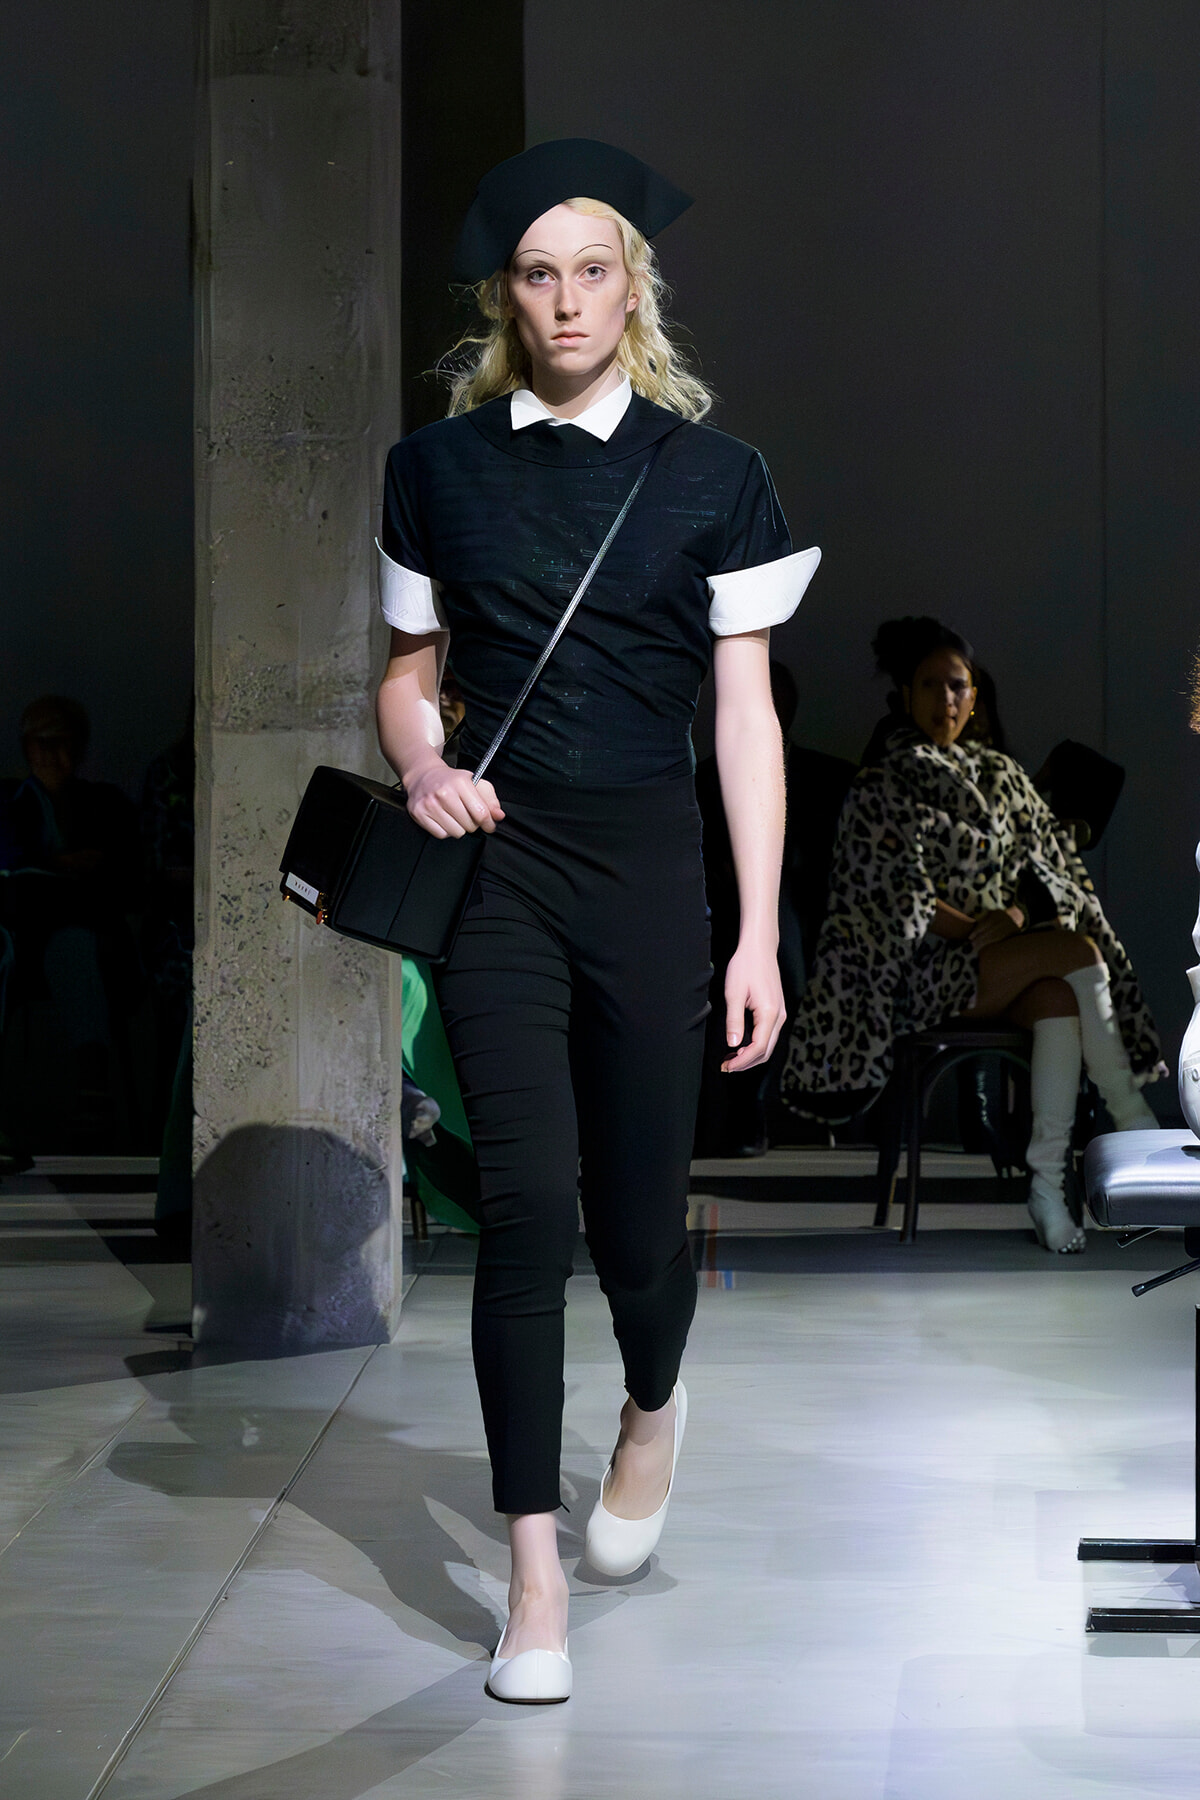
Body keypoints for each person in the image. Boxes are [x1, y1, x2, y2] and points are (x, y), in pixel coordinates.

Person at [374, 139, 820, 1703]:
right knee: (526, 1213)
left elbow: (744, 719)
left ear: (636, 289)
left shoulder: (718, 474)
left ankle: (649, 1405)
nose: (566, 299)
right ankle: (535, 1579)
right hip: (500, 872)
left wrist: (758, 931)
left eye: (593, 269)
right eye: (538, 273)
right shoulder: (437, 468)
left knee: (639, 1227)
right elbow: (409, 677)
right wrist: (422, 760)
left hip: (648, 873)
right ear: (508, 295)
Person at [783, 616, 1165, 1253]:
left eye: (958, 686)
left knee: (1058, 999)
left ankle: (1046, 1187)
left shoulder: (1003, 775)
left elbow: (1051, 865)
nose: (947, 700)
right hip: (920, 974)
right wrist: (978, 931)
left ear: (975, 694)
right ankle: (1133, 1126)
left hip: (993, 963)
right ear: (906, 694)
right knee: (1077, 952)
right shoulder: (882, 782)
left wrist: (1013, 918)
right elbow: (887, 894)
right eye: (931, 685)